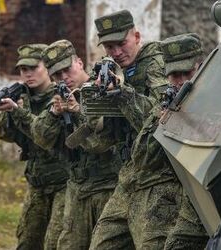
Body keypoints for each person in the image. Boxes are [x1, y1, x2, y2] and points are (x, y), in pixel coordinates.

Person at [89, 10, 181, 250]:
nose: (116, 52)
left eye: (121, 43)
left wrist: (122, 93)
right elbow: (104, 140)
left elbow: (162, 119)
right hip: (130, 177)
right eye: (109, 47)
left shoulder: (156, 62)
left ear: (137, 36)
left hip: (159, 179)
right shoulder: (124, 72)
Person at [31, 39, 128, 250]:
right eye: (56, 75)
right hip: (77, 189)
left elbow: (99, 143)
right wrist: (54, 113)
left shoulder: (100, 90)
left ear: (80, 63)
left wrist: (77, 112)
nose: (64, 78)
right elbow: (40, 137)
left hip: (108, 188)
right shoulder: (60, 98)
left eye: (67, 70)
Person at [0, 44, 71, 250]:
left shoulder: (61, 95)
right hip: (37, 183)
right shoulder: (24, 97)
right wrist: (9, 111)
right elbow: (3, 134)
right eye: (23, 70)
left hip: (63, 182)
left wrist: (19, 111)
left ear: (47, 67)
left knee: (54, 243)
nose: (27, 74)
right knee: (27, 242)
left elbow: (45, 135)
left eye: (33, 68)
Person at [160, 33, 209, 250]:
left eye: (186, 73)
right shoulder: (168, 102)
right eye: (174, 75)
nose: (180, 81)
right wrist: (162, 125)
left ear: (202, 67)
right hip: (189, 200)